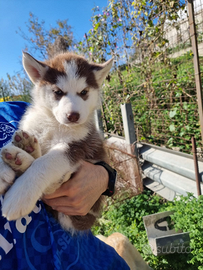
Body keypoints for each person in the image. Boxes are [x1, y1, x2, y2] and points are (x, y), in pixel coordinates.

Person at [0, 101, 129, 270]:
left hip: (95, 259)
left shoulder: (16, 111)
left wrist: (104, 175)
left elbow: (88, 146)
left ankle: (32, 166)